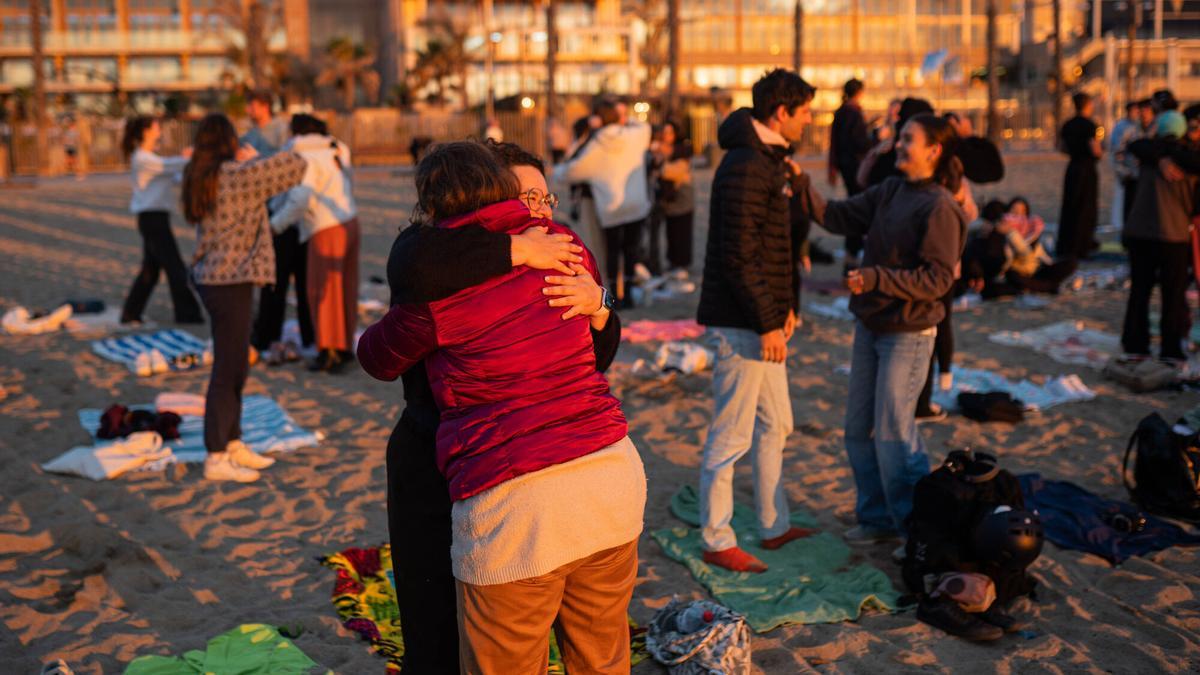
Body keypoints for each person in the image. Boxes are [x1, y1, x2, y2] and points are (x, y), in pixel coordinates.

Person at [358, 141, 643, 673]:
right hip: (606, 479)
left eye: (544, 196)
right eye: (525, 195)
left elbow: (375, 355)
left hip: (517, 491)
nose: (539, 209)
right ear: (494, 191)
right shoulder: (549, 247)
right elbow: (417, 258)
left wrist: (601, 305)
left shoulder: (551, 254)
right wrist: (514, 250)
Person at [695, 68, 822, 573]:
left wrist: (786, 308)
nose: (811, 121)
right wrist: (767, 321)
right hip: (742, 322)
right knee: (731, 435)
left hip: (764, 318)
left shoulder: (771, 160)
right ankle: (716, 536)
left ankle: (773, 525)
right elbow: (738, 255)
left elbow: (777, 246)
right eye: (806, 112)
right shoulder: (747, 164)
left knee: (777, 423)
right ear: (781, 112)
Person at [821, 113, 967, 550]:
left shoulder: (940, 206)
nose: (898, 144)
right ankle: (877, 517)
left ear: (933, 151)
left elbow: (940, 280)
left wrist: (877, 278)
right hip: (871, 323)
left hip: (910, 331)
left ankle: (916, 529)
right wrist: (801, 189)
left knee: (894, 433)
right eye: (899, 137)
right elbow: (840, 215)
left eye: (908, 139)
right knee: (857, 429)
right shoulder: (891, 189)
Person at [182, 113, 307, 482]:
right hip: (229, 280)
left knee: (235, 363)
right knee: (227, 368)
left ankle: (232, 441)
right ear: (227, 142)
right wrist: (251, 159)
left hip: (214, 278)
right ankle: (216, 454)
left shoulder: (200, 174)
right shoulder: (235, 175)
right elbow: (296, 167)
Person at [268, 114, 359, 373]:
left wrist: (275, 225)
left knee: (321, 291)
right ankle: (345, 347)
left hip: (325, 227)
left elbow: (300, 199)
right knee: (345, 288)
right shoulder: (337, 147)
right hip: (350, 220)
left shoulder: (303, 155)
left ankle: (329, 351)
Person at [1121, 105, 1199, 363]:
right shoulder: (1187, 159)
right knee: (1172, 294)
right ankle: (1170, 348)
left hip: (1140, 232)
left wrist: (1162, 155)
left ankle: (1136, 343)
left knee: (1140, 291)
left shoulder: (1149, 153)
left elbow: (1137, 145)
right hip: (1173, 234)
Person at [553, 99, 653, 299]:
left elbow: (573, 171)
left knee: (613, 253)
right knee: (632, 250)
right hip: (636, 204)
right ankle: (632, 291)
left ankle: (617, 295)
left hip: (611, 208)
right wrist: (626, 118)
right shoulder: (635, 135)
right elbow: (645, 126)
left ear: (597, 119)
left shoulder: (597, 144)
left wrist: (556, 171)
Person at [119, 116, 205, 325]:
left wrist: (186, 160)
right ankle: (188, 315)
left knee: (151, 270)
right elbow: (169, 166)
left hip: (155, 219)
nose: (160, 130)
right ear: (146, 131)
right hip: (152, 220)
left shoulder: (150, 158)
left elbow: (174, 174)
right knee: (174, 267)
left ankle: (131, 313)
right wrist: (192, 156)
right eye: (156, 126)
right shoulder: (143, 158)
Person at [829, 79, 873, 268]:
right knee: (858, 209)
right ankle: (852, 251)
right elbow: (858, 141)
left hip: (846, 165)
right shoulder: (852, 112)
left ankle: (852, 251)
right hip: (855, 166)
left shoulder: (841, 111)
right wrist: (876, 138)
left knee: (855, 206)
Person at [647, 119, 696, 282]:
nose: (666, 135)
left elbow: (677, 171)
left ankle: (681, 265)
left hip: (682, 198)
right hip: (668, 200)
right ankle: (673, 263)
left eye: (669, 132)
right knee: (671, 233)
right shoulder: (659, 149)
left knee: (682, 232)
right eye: (664, 132)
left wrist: (660, 168)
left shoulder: (682, 150)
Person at [1056, 93, 1103, 260]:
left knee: (1070, 206)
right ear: (1088, 105)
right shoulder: (1090, 125)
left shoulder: (1067, 124)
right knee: (1086, 208)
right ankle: (1082, 247)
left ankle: (1066, 245)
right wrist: (1098, 154)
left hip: (1072, 168)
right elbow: (1095, 149)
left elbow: (1061, 148)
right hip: (1087, 169)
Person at [1111, 101, 1144, 229]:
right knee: (1128, 206)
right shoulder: (1122, 127)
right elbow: (1116, 151)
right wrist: (1123, 172)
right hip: (1129, 174)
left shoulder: (1140, 126)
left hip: (1138, 173)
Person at [241, 90, 285, 157]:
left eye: (252, 106)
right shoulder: (249, 132)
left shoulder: (282, 129)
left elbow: (285, 157)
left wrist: (258, 156)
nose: (247, 110)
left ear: (265, 107)